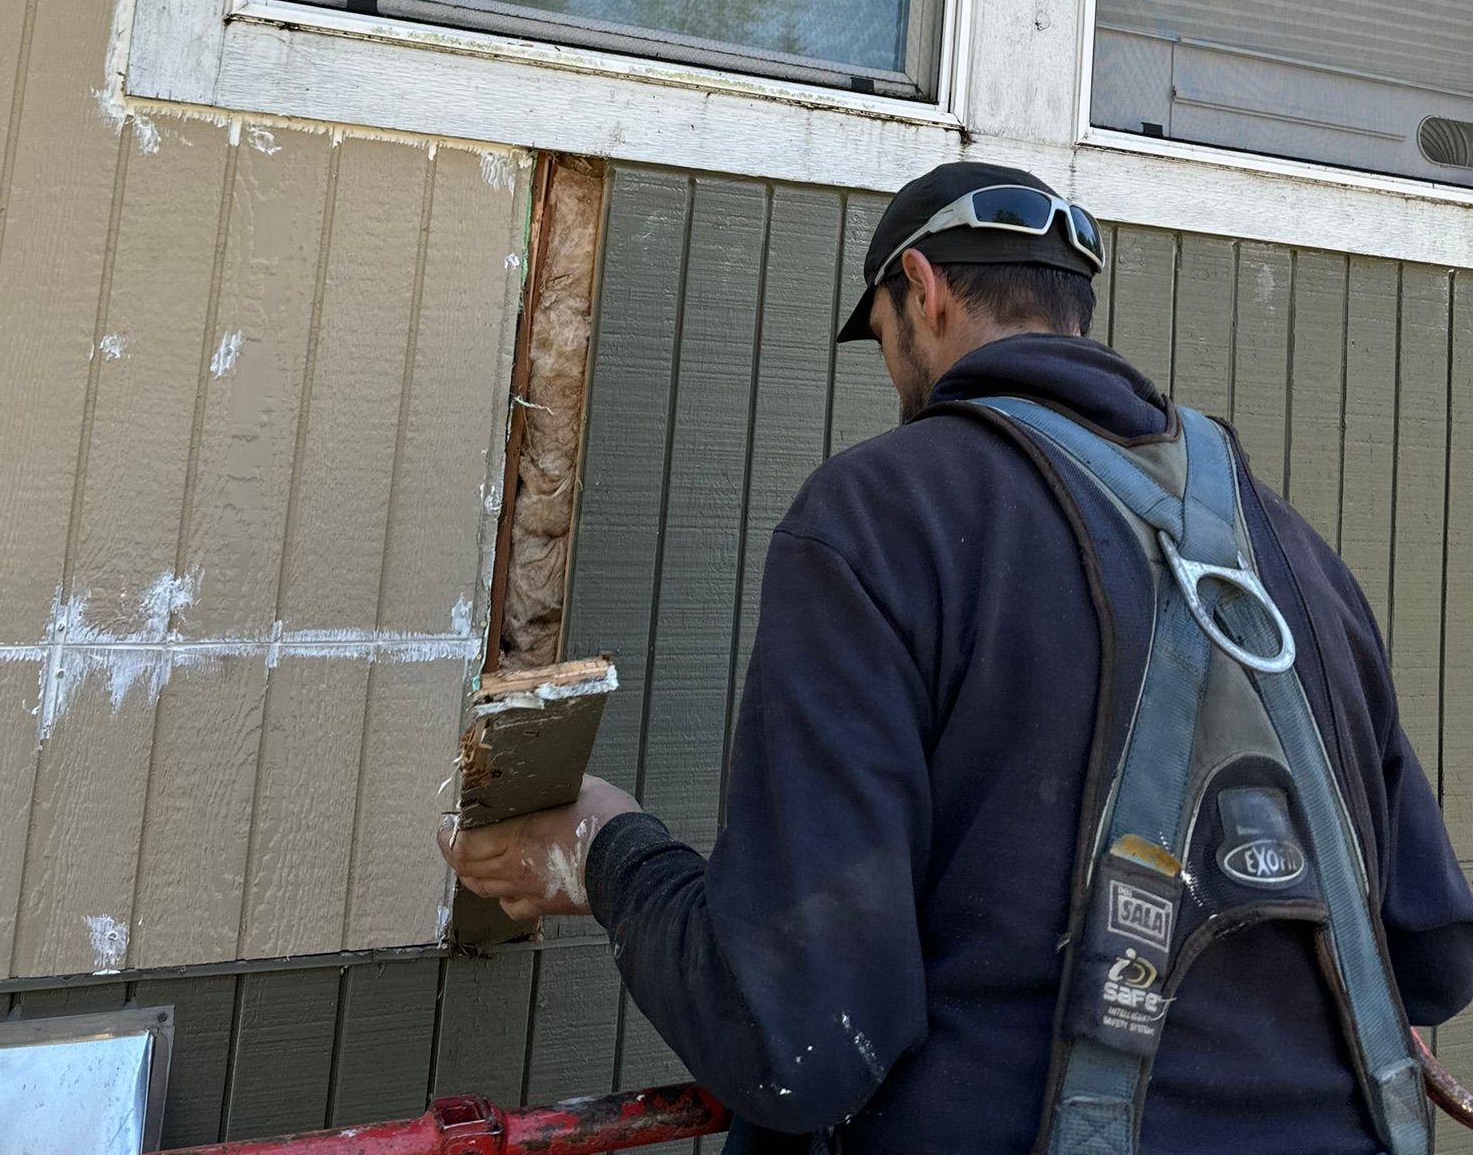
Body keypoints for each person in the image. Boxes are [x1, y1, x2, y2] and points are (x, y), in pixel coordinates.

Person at [443, 161, 1473, 1153]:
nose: (892, 366)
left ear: (921, 292)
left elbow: (798, 1035)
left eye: (883, 330)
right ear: (1072, 308)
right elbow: (1430, 952)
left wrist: (606, 847)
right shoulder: (1290, 552)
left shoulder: (881, 512)